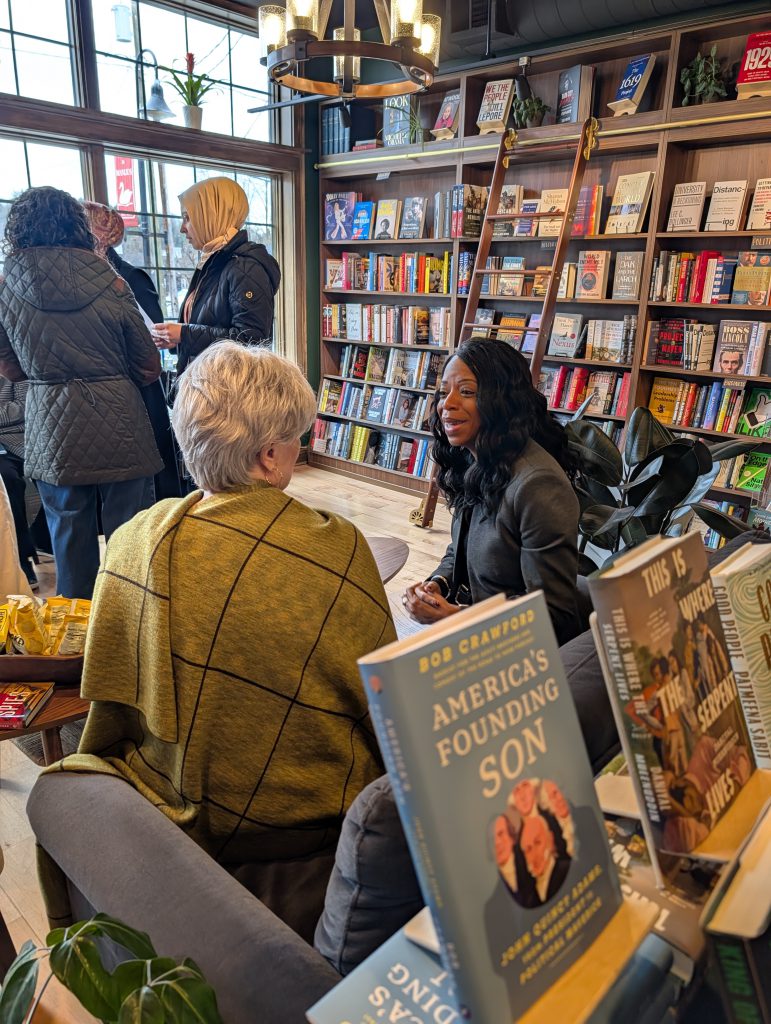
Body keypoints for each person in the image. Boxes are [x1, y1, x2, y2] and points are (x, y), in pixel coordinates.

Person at [45, 342, 394, 940]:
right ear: (267, 457)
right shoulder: (339, 547)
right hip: (306, 820)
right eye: (294, 439)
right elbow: (383, 701)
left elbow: (112, 706)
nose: (299, 449)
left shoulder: (132, 542)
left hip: (161, 799)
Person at [0, 186, 162, 600]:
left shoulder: (3, 288)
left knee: (68, 537)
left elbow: (9, 365)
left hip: (52, 428)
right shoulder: (110, 279)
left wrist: (47, 374)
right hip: (120, 420)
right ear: (76, 226)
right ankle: (130, 631)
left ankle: (79, 646)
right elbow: (148, 364)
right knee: (130, 537)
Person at [403, 338, 581, 645]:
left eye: (467, 392)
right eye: (444, 392)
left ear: (502, 400)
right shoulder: (474, 460)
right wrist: (436, 586)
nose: (448, 403)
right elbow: (463, 549)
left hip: (518, 653)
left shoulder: (538, 485)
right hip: (478, 635)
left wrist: (453, 617)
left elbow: (554, 618)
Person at [84, 201, 183, 500]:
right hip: (105, 394)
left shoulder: (129, 278)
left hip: (138, 387)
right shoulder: (79, 280)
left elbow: (153, 335)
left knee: (150, 481)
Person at [152, 177, 281, 373]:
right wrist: (177, 340)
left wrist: (184, 334)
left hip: (228, 396)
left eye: (188, 217)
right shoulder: (214, 262)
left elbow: (251, 341)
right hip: (207, 387)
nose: (182, 227)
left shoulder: (244, 266)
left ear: (211, 215)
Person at [0, 378, 38, 589]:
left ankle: (22, 557)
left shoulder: (11, 363)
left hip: (16, 441)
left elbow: (22, 407)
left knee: (7, 480)